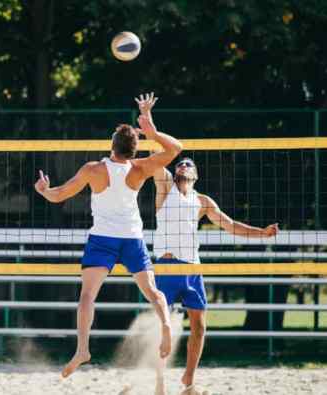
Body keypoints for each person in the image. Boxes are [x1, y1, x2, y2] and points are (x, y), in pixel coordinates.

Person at [35, 93, 182, 378]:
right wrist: (151, 129)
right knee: (153, 292)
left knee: (87, 296)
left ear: (112, 146)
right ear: (134, 150)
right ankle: (165, 324)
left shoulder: (94, 169)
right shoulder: (141, 168)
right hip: (132, 238)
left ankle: (82, 349)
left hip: (102, 239)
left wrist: (43, 190)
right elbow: (176, 148)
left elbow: (58, 196)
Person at [152, 139, 279, 394]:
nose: (184, 167)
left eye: (188, 166)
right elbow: (156, 158)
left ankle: (188, 381)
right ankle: (159, 383)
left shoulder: (202, 201)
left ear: (195, 175)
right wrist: (148, 129)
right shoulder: (166, 186)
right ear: (176, 172)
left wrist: (262, 233)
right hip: (167, 267)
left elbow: (231, 226)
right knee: (163, 327)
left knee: (199, 326)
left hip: (192, 268)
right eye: (181, 165)